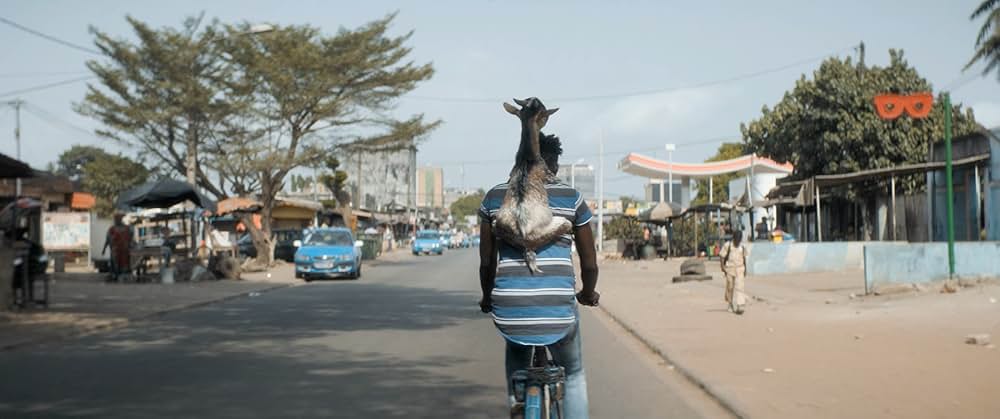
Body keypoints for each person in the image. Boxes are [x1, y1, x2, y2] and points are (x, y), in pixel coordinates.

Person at [479, 133, 599, 419]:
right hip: (559, 308)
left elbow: (486, 263)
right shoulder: (571, 198)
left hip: (510, 309)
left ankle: (517, 403)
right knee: (574, 373)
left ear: (520, 159)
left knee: (517, 359)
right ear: (554, 166)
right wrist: (587, 292)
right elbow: (590, 264)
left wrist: (487, 298)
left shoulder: (495, 198)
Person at [720, 230, 749, 314]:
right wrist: (722, 266)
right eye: (736, 239)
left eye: (739, 239)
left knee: (740, 287)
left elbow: (744, 258)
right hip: (730, 268)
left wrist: (745, 269)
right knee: (730, 287)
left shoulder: (742, 247)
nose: (738, 241)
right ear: (734, 238)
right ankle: (730, 303)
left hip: (740, 268)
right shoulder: (728, 245)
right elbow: (722, 256)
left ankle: (740, 305)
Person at [102, 213, 133, 282]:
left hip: (124, 250)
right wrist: (104, 249)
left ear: (120, 219)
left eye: (117, 219)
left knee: (124, 263)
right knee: (115, 263)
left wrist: (130, 245)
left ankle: (123, 275)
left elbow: (131, 237)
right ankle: (115, 275)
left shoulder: (127, 228)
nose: (116, 220)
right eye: (115, 219)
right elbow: (107, 239)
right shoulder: (112, 229)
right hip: (115, 250)